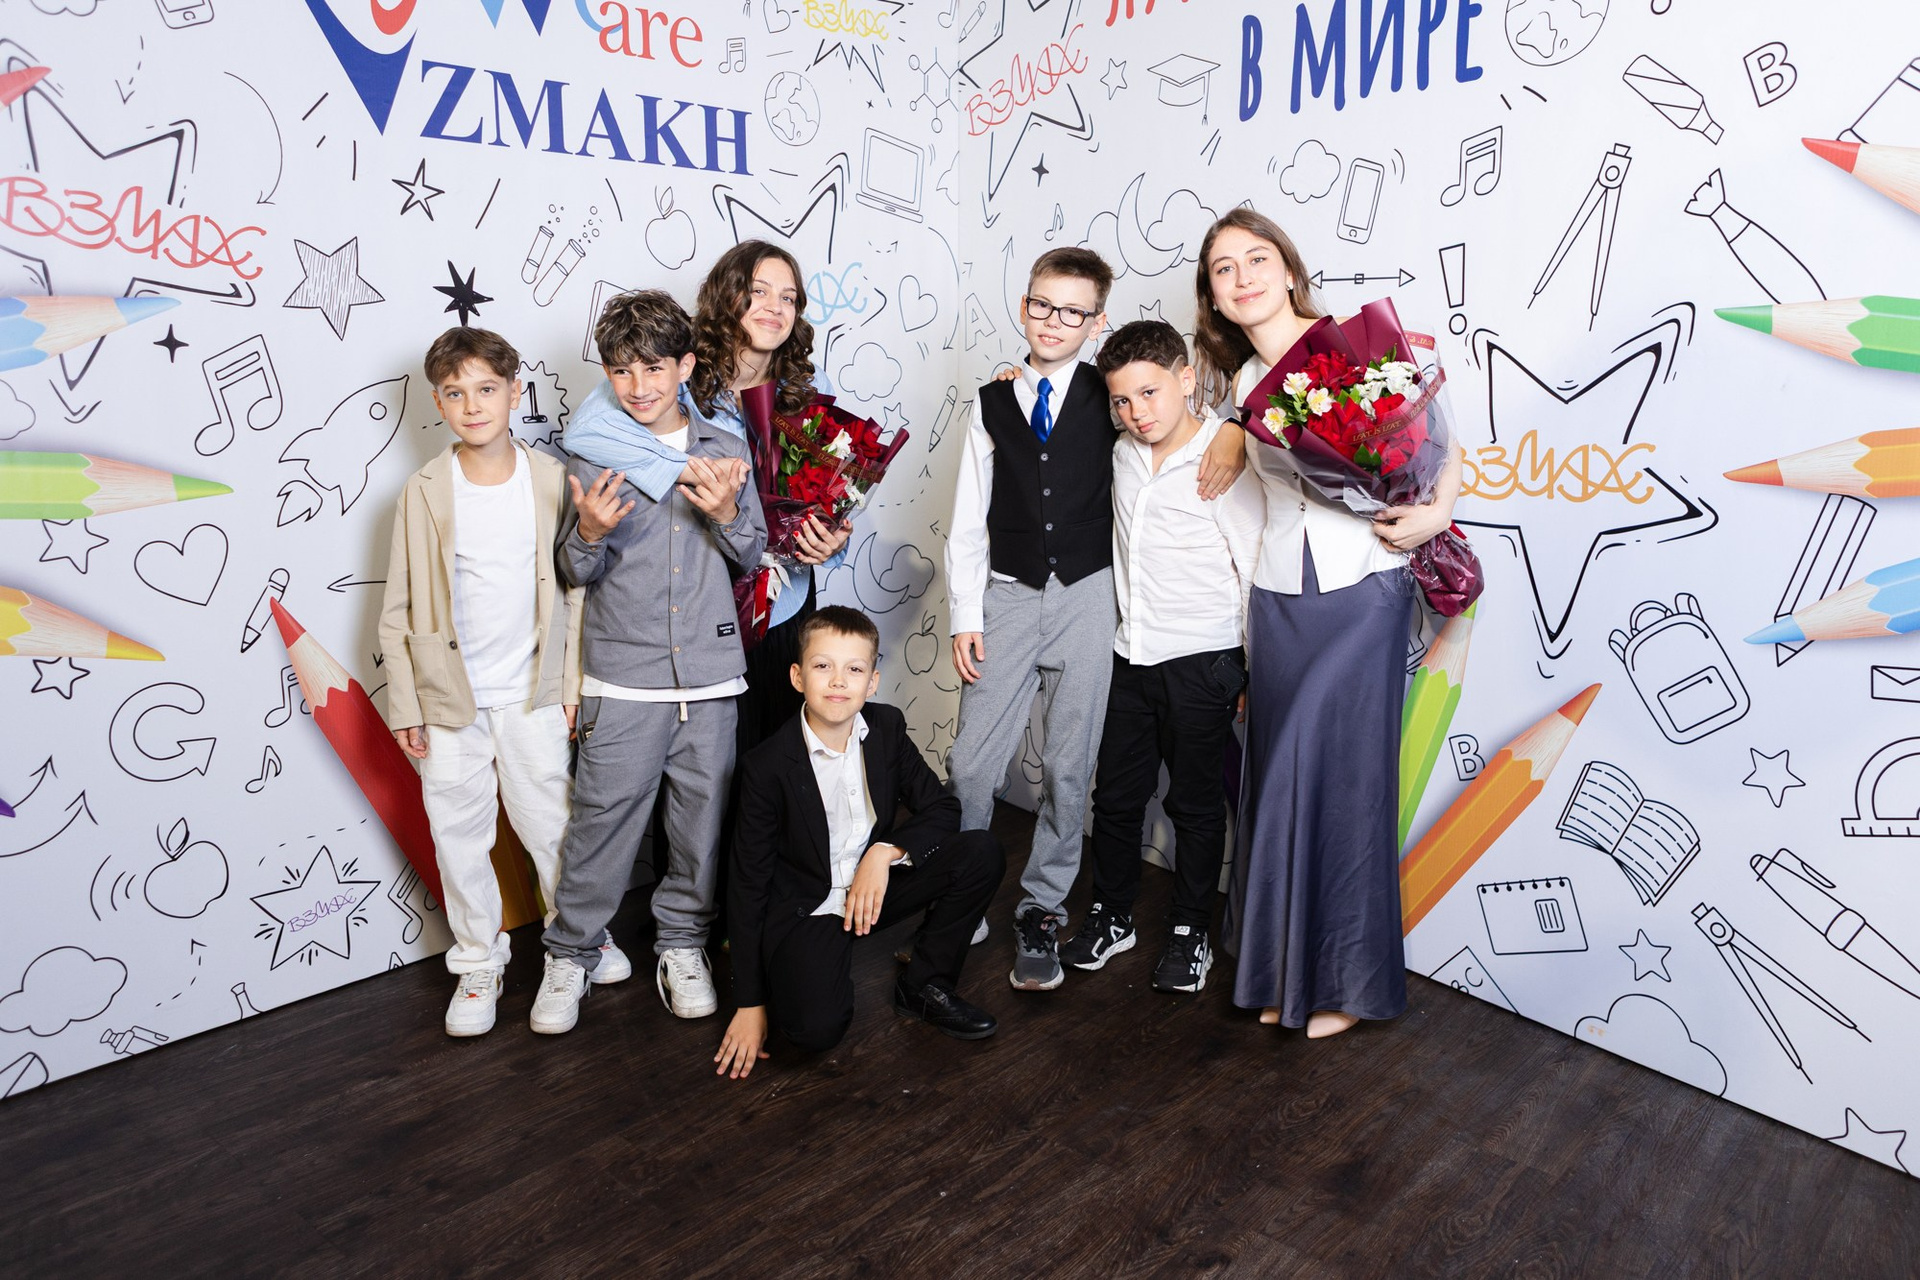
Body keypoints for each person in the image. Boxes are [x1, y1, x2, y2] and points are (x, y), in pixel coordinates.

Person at [1192, 208, 1463, 1039]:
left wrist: (1436, 513)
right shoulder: (1241, 386)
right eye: (1224, 269)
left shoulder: (1354, 348)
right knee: (1278, 780)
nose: (1243, 277)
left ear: (1287, 268)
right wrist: (1233, 428)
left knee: (1348, 785)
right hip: (1280, 596)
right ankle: (1281, 973)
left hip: (1363, 586)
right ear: (1213, 295)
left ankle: (1346, 983)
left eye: (1256, 259)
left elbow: (1441, 440)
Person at [945, 247, 1243, 991]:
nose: (1055, 321)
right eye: (1043, 306)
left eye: (1074, 311)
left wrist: (1234, 430)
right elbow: (968, 518)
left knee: (1069, 766)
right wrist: (963, 614)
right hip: (1008, 594)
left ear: (1097, 321)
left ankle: (1043, 908)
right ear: (1024, 306)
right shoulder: (991, 401)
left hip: (1089, 597)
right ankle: (959, 888)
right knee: (972, 761)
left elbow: (1179, 416)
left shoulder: (1112, 399)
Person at [532, 290, 766, 1035]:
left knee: (699, 827)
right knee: (601, 824)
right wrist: (589, 534)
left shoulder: (725, 449)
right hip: (621, 674)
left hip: (711, 672)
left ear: (686, 366)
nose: (637, 387)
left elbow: (752, 553)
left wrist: (725, 514)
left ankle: (682, 945)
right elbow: (572, 571)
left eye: (654, 368)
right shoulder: (586, 452)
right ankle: (570, 953)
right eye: (622, 370)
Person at [378, 325, 599, 1037]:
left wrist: (572, 684)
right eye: (455, 393)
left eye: (485, 389)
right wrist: (407, 702)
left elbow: (575, 592)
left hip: (533, 691)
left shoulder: (550, 479)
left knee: (553, 824)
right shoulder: (422, 491)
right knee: (458, 835)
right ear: (438, 403)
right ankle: (478, 962)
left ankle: (577, 943)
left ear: (514, 392)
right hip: (450, 698)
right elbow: (398, 606)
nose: (472, 406)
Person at [1059, 321, 1265, 994]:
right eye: (1122, 400)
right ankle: (1112, 914)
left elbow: (1251, 569)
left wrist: (1251, 667)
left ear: (1185, 379)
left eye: (1149, 393)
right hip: (1131, 655)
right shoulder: (1120, 453)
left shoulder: (1223, 459)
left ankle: (1188, 929)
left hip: (1203, 661)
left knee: (1195, 808)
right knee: (1116, 800)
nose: (1137, 412)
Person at [716, 606, 1004, 1076]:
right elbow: (746, 887)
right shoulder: (765, 766)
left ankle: (924, 986)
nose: (838, 681)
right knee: (814, 1031)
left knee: (981, 852)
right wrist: (749, 1003)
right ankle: (807, 968)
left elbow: (942, 809)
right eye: (822, 666)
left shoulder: (887, 728)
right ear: (797, 677)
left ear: (872, 682)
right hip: (810, 906)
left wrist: (884, 852)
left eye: (854, 669)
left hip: (872, 888)